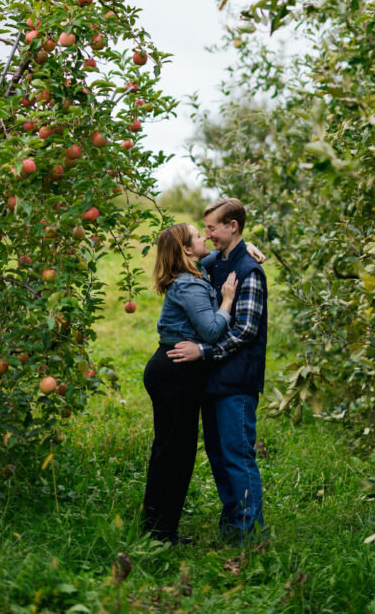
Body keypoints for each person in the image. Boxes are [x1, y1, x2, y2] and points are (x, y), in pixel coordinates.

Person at [168, 198, 267, 541]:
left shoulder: (250, 273)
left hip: (237, 380)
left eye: (212, 228)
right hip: (213, 378)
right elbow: (190, 259)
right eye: (205, 229)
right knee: (219, 457)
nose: (207, 235)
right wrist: (247, 246)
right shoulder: (217, 262)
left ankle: (250, 536)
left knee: (238, 456)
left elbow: (245, 332)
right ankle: (232, 527)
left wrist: (203, 351)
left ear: (233, 227)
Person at [142, 222, 238, 545]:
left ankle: (158, 528)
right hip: (176, 375)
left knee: (170, 451)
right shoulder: (191, 286)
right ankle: (160, 534)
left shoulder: (189, 275)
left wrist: (243, 249)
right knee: (175, 455)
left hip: (170, 370)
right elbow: (212, 331)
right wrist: (226, 302)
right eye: (198, 236)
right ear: (185, 250)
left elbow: (209, 260)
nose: (205, 238)